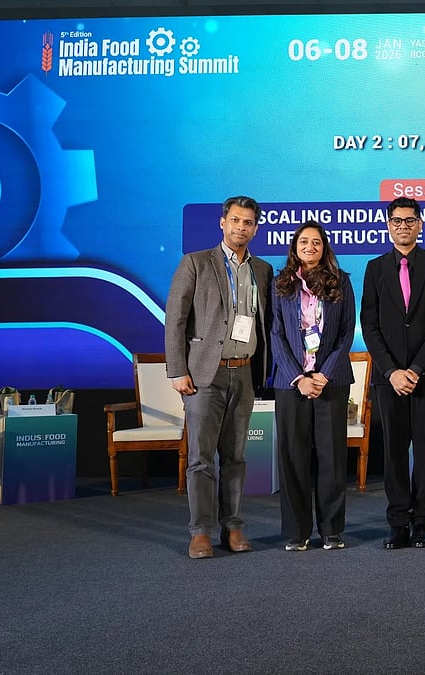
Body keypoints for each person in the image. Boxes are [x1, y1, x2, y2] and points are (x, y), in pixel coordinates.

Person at [164, 195, 274, 559]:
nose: (241, 227)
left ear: (255, 229)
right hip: (203, 377)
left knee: (236, 457)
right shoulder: (196, 262)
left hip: (244, 374)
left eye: (248, 223)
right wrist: (177, 370)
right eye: (235, 220)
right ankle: (200, 532)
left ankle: (233, 526)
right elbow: (175, 319)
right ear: (222, 223)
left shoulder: (262, 270)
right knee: (201, 458)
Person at [360, 197, 425, 549]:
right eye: (397, 221)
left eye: (410, 220)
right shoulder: (375, 268)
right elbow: (369, 324)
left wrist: (415, 368)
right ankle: (398, 521)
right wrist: (391, 371)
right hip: (390, 379)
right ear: (388, 225)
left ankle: (423, 522)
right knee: (395, 452)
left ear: (420, 225)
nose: (403, 226)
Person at [271, 220, 356, 552]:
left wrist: (323, 374)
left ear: (324, 248)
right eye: (304, 241)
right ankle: (297, 531)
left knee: (332, 458)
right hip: (291, 383)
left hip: (330, 382)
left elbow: (346, 331)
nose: (310, 247)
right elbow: (276, 333)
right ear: (295, 247)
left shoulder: (340, 281)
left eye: (316, 242)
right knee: (293, 458)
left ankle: (332, 530)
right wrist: (299, 377)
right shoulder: (281, 283)